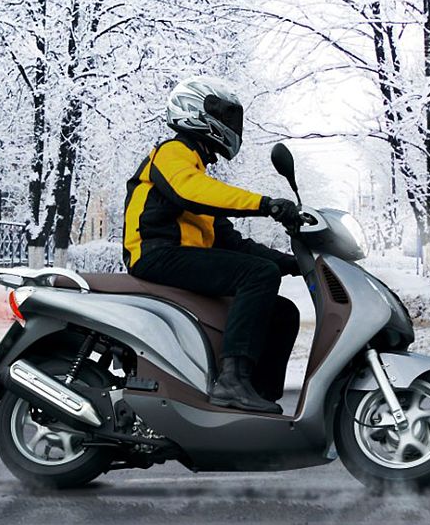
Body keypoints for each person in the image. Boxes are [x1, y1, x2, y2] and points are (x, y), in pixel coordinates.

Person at [122, 75, 302, 414]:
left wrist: (292, 262)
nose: (231, 122)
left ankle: (256, 398)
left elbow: (230, 241)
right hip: (155, 254)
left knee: (282, 311)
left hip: (181, 256)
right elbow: (189, 191)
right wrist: (266, 205)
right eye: (223, 114)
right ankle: (232, 383)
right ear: (196, 113)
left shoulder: (197, 174)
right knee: (257, 275)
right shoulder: (172, 153)